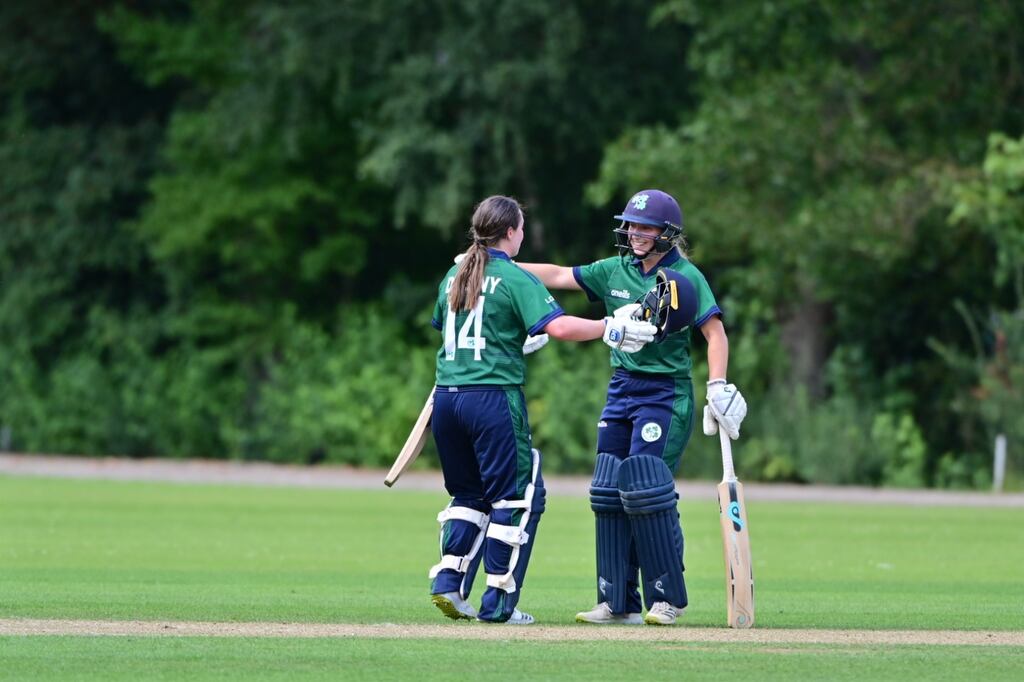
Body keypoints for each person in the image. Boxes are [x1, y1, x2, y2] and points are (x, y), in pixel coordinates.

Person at [518, 189, 747, 626]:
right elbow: (559, 275)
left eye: (645, 227)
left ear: (667, 233)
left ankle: (666, 598)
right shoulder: (614, 269)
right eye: (631, 225)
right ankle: (616, 601)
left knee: (646, 489)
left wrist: (717, 385)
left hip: (666, 393)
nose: (635, 233)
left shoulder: (686, 276)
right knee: (608, 490)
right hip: (622, 387)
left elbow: (714, 333)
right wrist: (495, 264)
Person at [427, 195, 657, 625]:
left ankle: (448, 582)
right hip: (493, 399)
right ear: (511, 232)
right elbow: (561, 326)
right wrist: (610, 328)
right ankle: (498, 602)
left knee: (468, 496)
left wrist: (513, 340)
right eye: (521, 229)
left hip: (447, 397)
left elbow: (457, 331)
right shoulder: (515, 277)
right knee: (517, 496)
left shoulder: (454, 274)